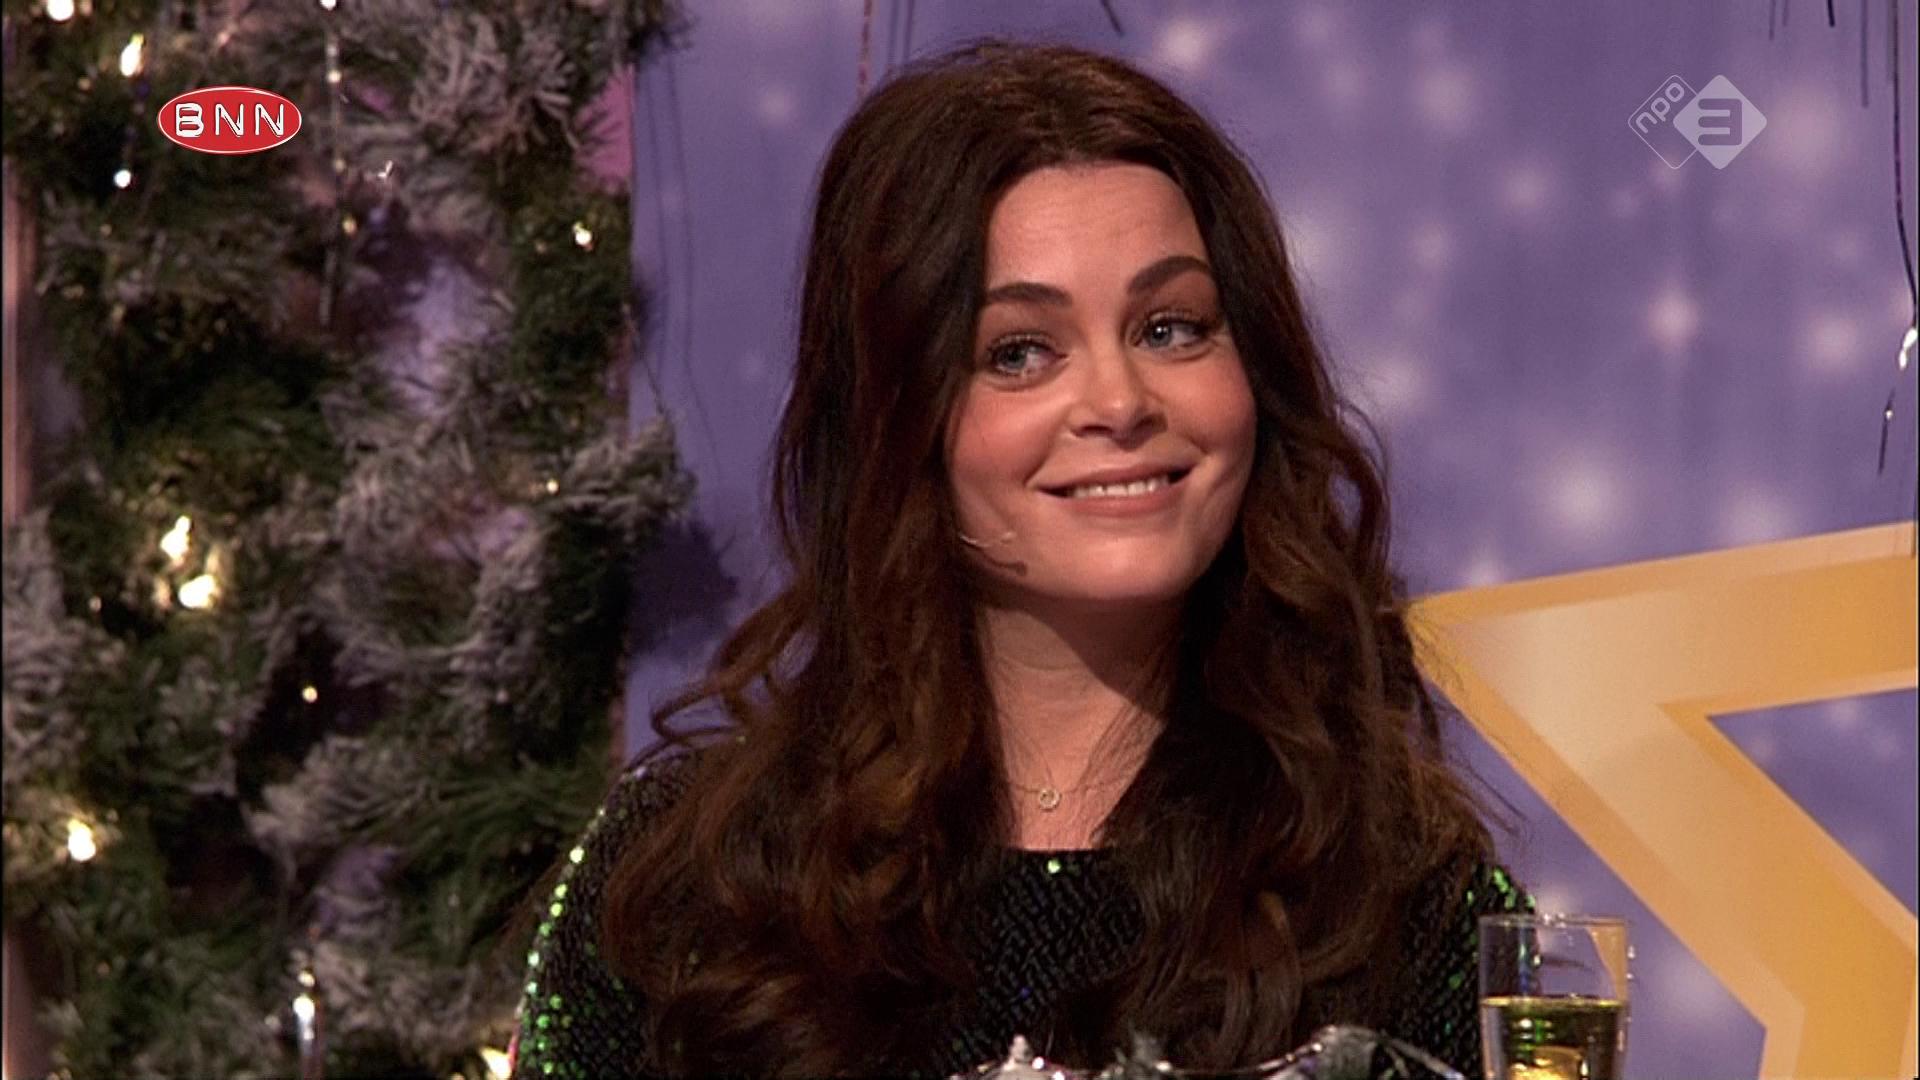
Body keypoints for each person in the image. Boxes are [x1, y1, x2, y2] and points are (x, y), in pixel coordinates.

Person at [509, 39, 1530, 1080]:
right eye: (1019, 352)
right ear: (897, 417)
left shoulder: (1404, 898)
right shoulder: (686, 889)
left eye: (1171, 328)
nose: (1121, 402)